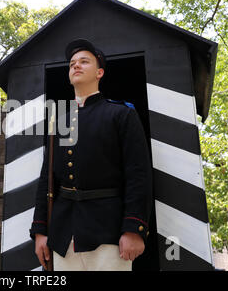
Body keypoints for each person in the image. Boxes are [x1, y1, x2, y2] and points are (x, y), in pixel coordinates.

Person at [29, 38, 152, 271]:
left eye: (84, 61)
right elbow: (47, 181)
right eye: (72, 63)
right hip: (63, 236)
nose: (76, 65)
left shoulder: (121, 114)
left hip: (109, 234)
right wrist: (40, 231)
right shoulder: (60, 122)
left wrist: (133, 229)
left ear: (100, 72)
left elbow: (139, 175)